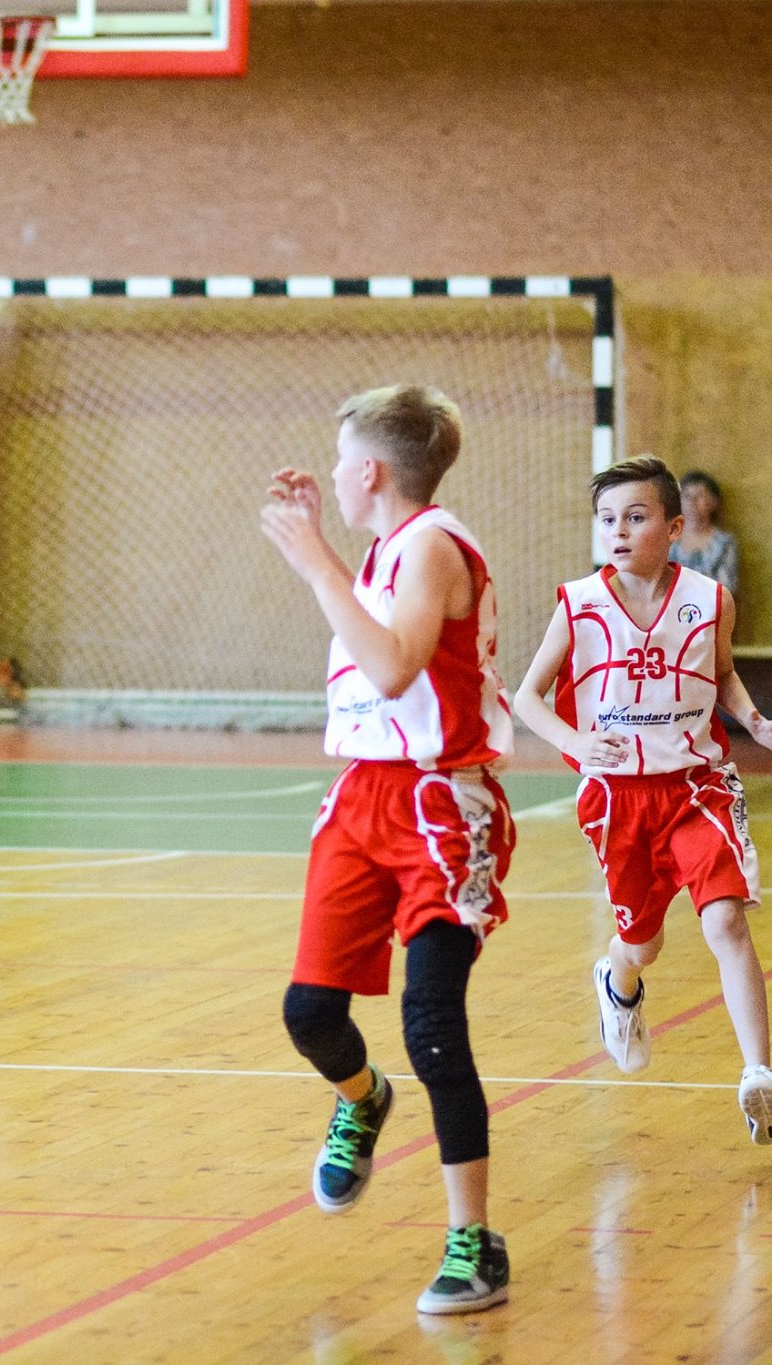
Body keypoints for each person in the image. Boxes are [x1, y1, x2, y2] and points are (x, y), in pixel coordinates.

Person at [259, 384, 515, 1315]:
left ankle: (474, 1243)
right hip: (362, 800)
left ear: (370, 471)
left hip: (440, 804)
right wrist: (324, 546)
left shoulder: (435, 546)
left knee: (432, 1022)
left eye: (341, 462)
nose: (332, 475)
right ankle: (363, 1097)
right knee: (309, 1011)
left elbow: (395, 664)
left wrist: (312, 560)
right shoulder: (383, 552)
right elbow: (375, 638)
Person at [509, 455, 771, 1139]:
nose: (619, 531)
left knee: (726, 922)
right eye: (607, 519)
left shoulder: (710, 600)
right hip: (619, 799)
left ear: (674, 527)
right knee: (642, 943)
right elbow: (526, 697)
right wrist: (574, 739)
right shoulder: (579, 604)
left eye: (635, 516)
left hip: (697, 786)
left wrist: (753, 720)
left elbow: (722, 674)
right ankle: (618, 981)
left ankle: (759, 1076)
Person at [672, 470, 740, 596]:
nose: (692, 502)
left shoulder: (724, 543)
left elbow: (726, 589)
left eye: (700, 495)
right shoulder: (668, 540)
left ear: (713, 502)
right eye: (687, 496)